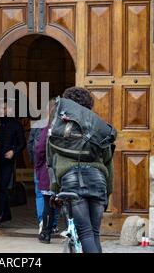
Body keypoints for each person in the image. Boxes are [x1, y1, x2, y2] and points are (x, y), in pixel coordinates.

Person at [49, 87, 114, 253]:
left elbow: (52, 162)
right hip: (98, 180)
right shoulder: (97, 126)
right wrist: (107, 192)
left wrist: (55, 191)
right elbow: (108, 161)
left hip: (71, 180)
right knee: (94, 233)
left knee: (84, 233)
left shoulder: (59, 128)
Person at [0, 99, 26, 224]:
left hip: (7, 161)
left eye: (6, 108)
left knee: (2, 187)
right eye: (2, 108)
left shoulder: (16, 124)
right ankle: (4, 213)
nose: (4, 110)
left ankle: (1, 214)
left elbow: (22, 143)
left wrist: (13, 152)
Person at [34, 99, 58, 243]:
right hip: (69, 172)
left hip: (50, 171)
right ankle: (73, 234)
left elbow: (40, 149)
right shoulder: (72, 126)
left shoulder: (49, 127)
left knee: (48, 205)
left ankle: (46, 234)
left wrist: (38, 166)